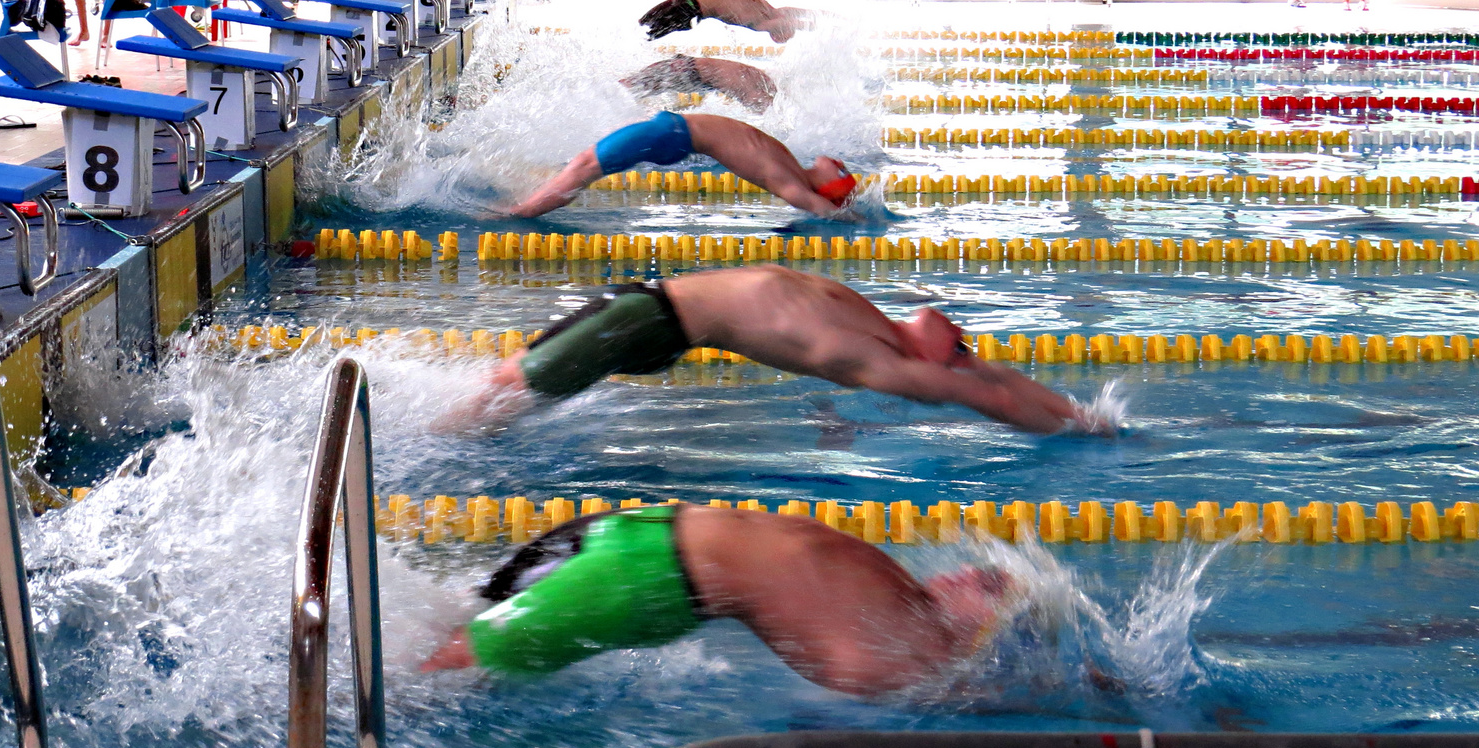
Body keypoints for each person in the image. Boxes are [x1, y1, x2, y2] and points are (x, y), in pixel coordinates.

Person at [421, 502, 1019, 697]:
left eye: (986, 587)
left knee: (438, 666)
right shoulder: (901, 611)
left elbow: (989, 692)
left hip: (641, 567)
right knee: (445, 653)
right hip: (641, 546)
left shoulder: (917, 653)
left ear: (986, 630)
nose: (968, 570)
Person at [437, 266, 1102, 437]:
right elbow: (990, 377)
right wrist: (1076, 411)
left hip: (647, 323)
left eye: (958, 348)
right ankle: (448, 428)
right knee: (506, 387)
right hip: (646, 308)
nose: (965, 340)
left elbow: (981, 392)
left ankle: (431, 439)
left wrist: (1072, 430)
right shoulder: (892, 332)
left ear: (934, 367)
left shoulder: (879, 359)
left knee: (505, 394)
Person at [509, 111, 848, 217]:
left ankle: (518, 212)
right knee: (583, 167)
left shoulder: (788, 180)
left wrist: (848, 216)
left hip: (670, 134)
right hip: (672, 134)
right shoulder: (791, 166)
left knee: (584, 166)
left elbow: (810, 203)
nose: (842, 166)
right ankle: (525, 204)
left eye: (843, 175)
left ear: (828, 185)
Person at [638, 0, 813, 43]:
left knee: (640, 26)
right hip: (688, 12)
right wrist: (817, 27)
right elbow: (794, 20)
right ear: (777, 33)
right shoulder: (758, 22)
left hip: (685, 1)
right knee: (646, 36)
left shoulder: (765, 6)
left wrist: (830, 19)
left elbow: (798, 13)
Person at [620, 55, 777, 112]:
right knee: (627, 88)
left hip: (685, 67)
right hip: (686, 71)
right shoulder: (759, 89)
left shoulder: (760, 78)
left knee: (630, 86)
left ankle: (605, 91)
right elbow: (764, 109)